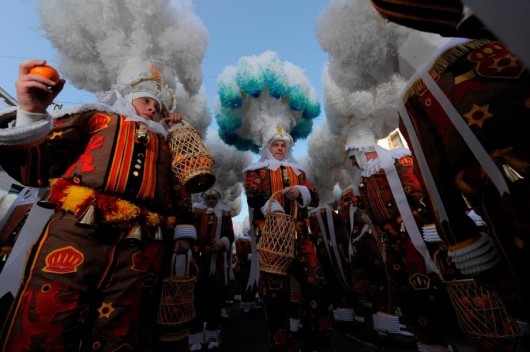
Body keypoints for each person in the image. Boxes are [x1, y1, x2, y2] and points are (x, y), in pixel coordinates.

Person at [0, 59, 196, 351]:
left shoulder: (168, 143)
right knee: (46, 317)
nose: (154, 108)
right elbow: (36, 172)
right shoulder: (96, 118)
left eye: (159, 105)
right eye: (146, 101)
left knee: (122, 332)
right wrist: (31, 112)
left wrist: (183, 233)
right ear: (129, 98)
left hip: (141, 244)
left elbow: (181, 193)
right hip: (78, 230)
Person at [345, 134, 458, 350]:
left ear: (360, 151)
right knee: (408, 295)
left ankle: (451, 340)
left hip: (416, 241)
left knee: (431, 291)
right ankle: (428, 341)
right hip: (394, 245)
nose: (351, 162)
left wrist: (414, 226)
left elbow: (422, 197)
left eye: (352, 156)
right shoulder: (365, 176)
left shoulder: (399, 160)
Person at [243, 126, 331, 352]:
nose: (280, 149)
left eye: (284, 145)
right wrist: (272, 204)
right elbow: (252, 198)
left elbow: (315, 198)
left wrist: (301, 191)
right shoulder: (256, 170)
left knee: (316, 283)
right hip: (272, 237)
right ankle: (282, 345)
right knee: (274, 293)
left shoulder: (299, 172)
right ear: (268, 148)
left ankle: (316, 341)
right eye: (276, 145)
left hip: (300, 235)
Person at [188, 188, 234, 351]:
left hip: (217, 262)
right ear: (204, 199)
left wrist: (222, 242)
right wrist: (192, 250)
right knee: (197, 299)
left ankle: (213, 335)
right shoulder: (196, 211)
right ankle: (195, 337)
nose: (212, 201)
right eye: (209, 198)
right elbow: (189, 232)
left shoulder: (225, 213)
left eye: (214, 198)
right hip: (198, 261)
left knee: (215, 299)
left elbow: (230, 235)